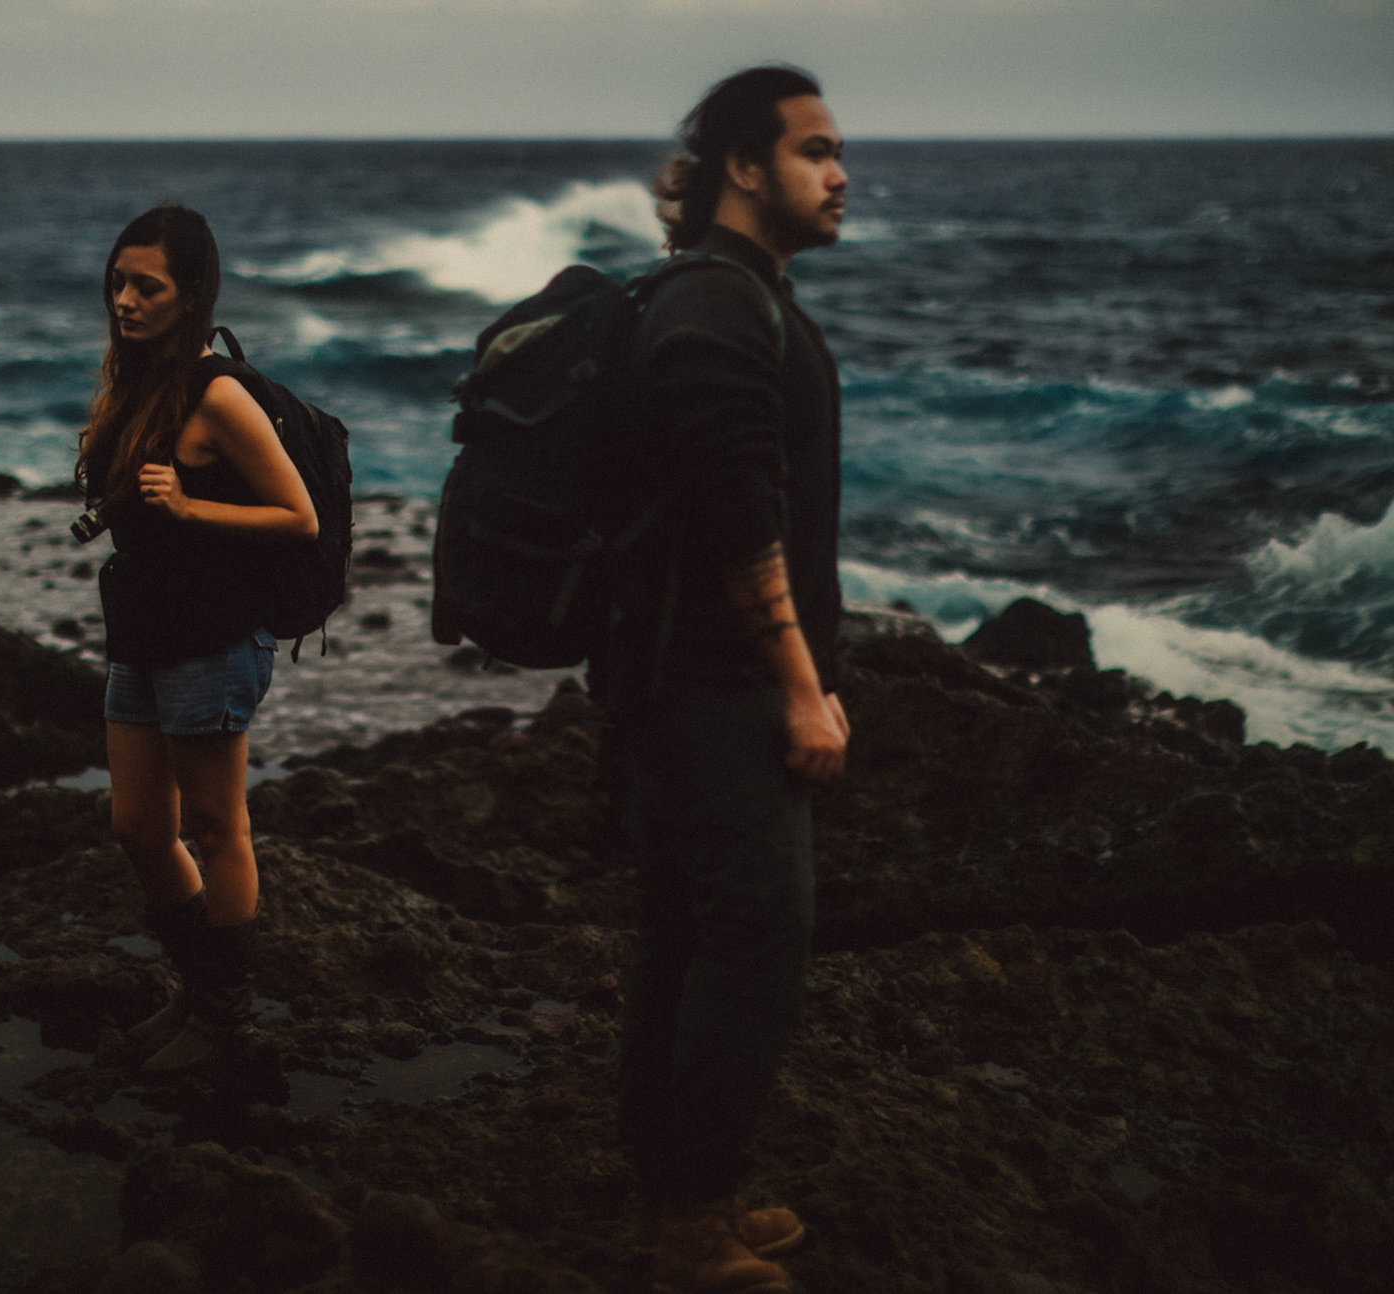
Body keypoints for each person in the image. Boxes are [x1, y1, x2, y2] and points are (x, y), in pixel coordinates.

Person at [595, 66, 849, 1293]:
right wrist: (800, 683)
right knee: (757, 936)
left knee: (692, 933)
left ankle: (673, 1201)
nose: (840, 172)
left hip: (687, 682)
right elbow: (738, 513)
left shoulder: (736, 297)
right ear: (745, 167)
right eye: (813, 150)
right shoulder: (714, 306)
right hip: (710, 689)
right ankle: (688, 1219)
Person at [75, 204, 318, 1072]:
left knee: (218, 828)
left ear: (193, 295)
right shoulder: (139, 381)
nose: (127, 300)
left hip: (213, 638)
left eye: (149, 287)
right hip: (140, 632)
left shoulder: (220, 395)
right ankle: (199, 991)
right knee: (139, 827)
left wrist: (187, 504)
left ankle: (224, 1019)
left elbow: (299, 515)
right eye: (118, 283)